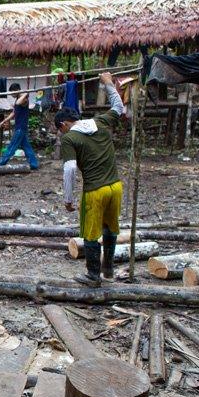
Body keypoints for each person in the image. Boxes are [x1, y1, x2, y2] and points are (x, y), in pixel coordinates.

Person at [56, 72, 125, 287]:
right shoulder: (101, 122)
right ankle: (108, 270)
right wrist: (108, 85)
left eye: (59, 129)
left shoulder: (70, 137)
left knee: (90, 232)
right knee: (110, 228)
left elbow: (69, 169)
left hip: (95, 191)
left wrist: (68, 198)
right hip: (115, 186)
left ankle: (93, 276)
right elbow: (118, 108)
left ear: (64, 124)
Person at [0, 83, 39, 169]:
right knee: (26, 147)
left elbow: (19, 102)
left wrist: (25, 94)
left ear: (16, 90)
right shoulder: (18, 99)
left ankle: (1, 163)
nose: (11, 95)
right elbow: (14, 113)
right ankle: (34, 164)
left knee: (12, 146)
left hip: (21, 127)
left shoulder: (24, 99)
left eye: (12, 93)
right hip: (20, 127)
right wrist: (4, 121)